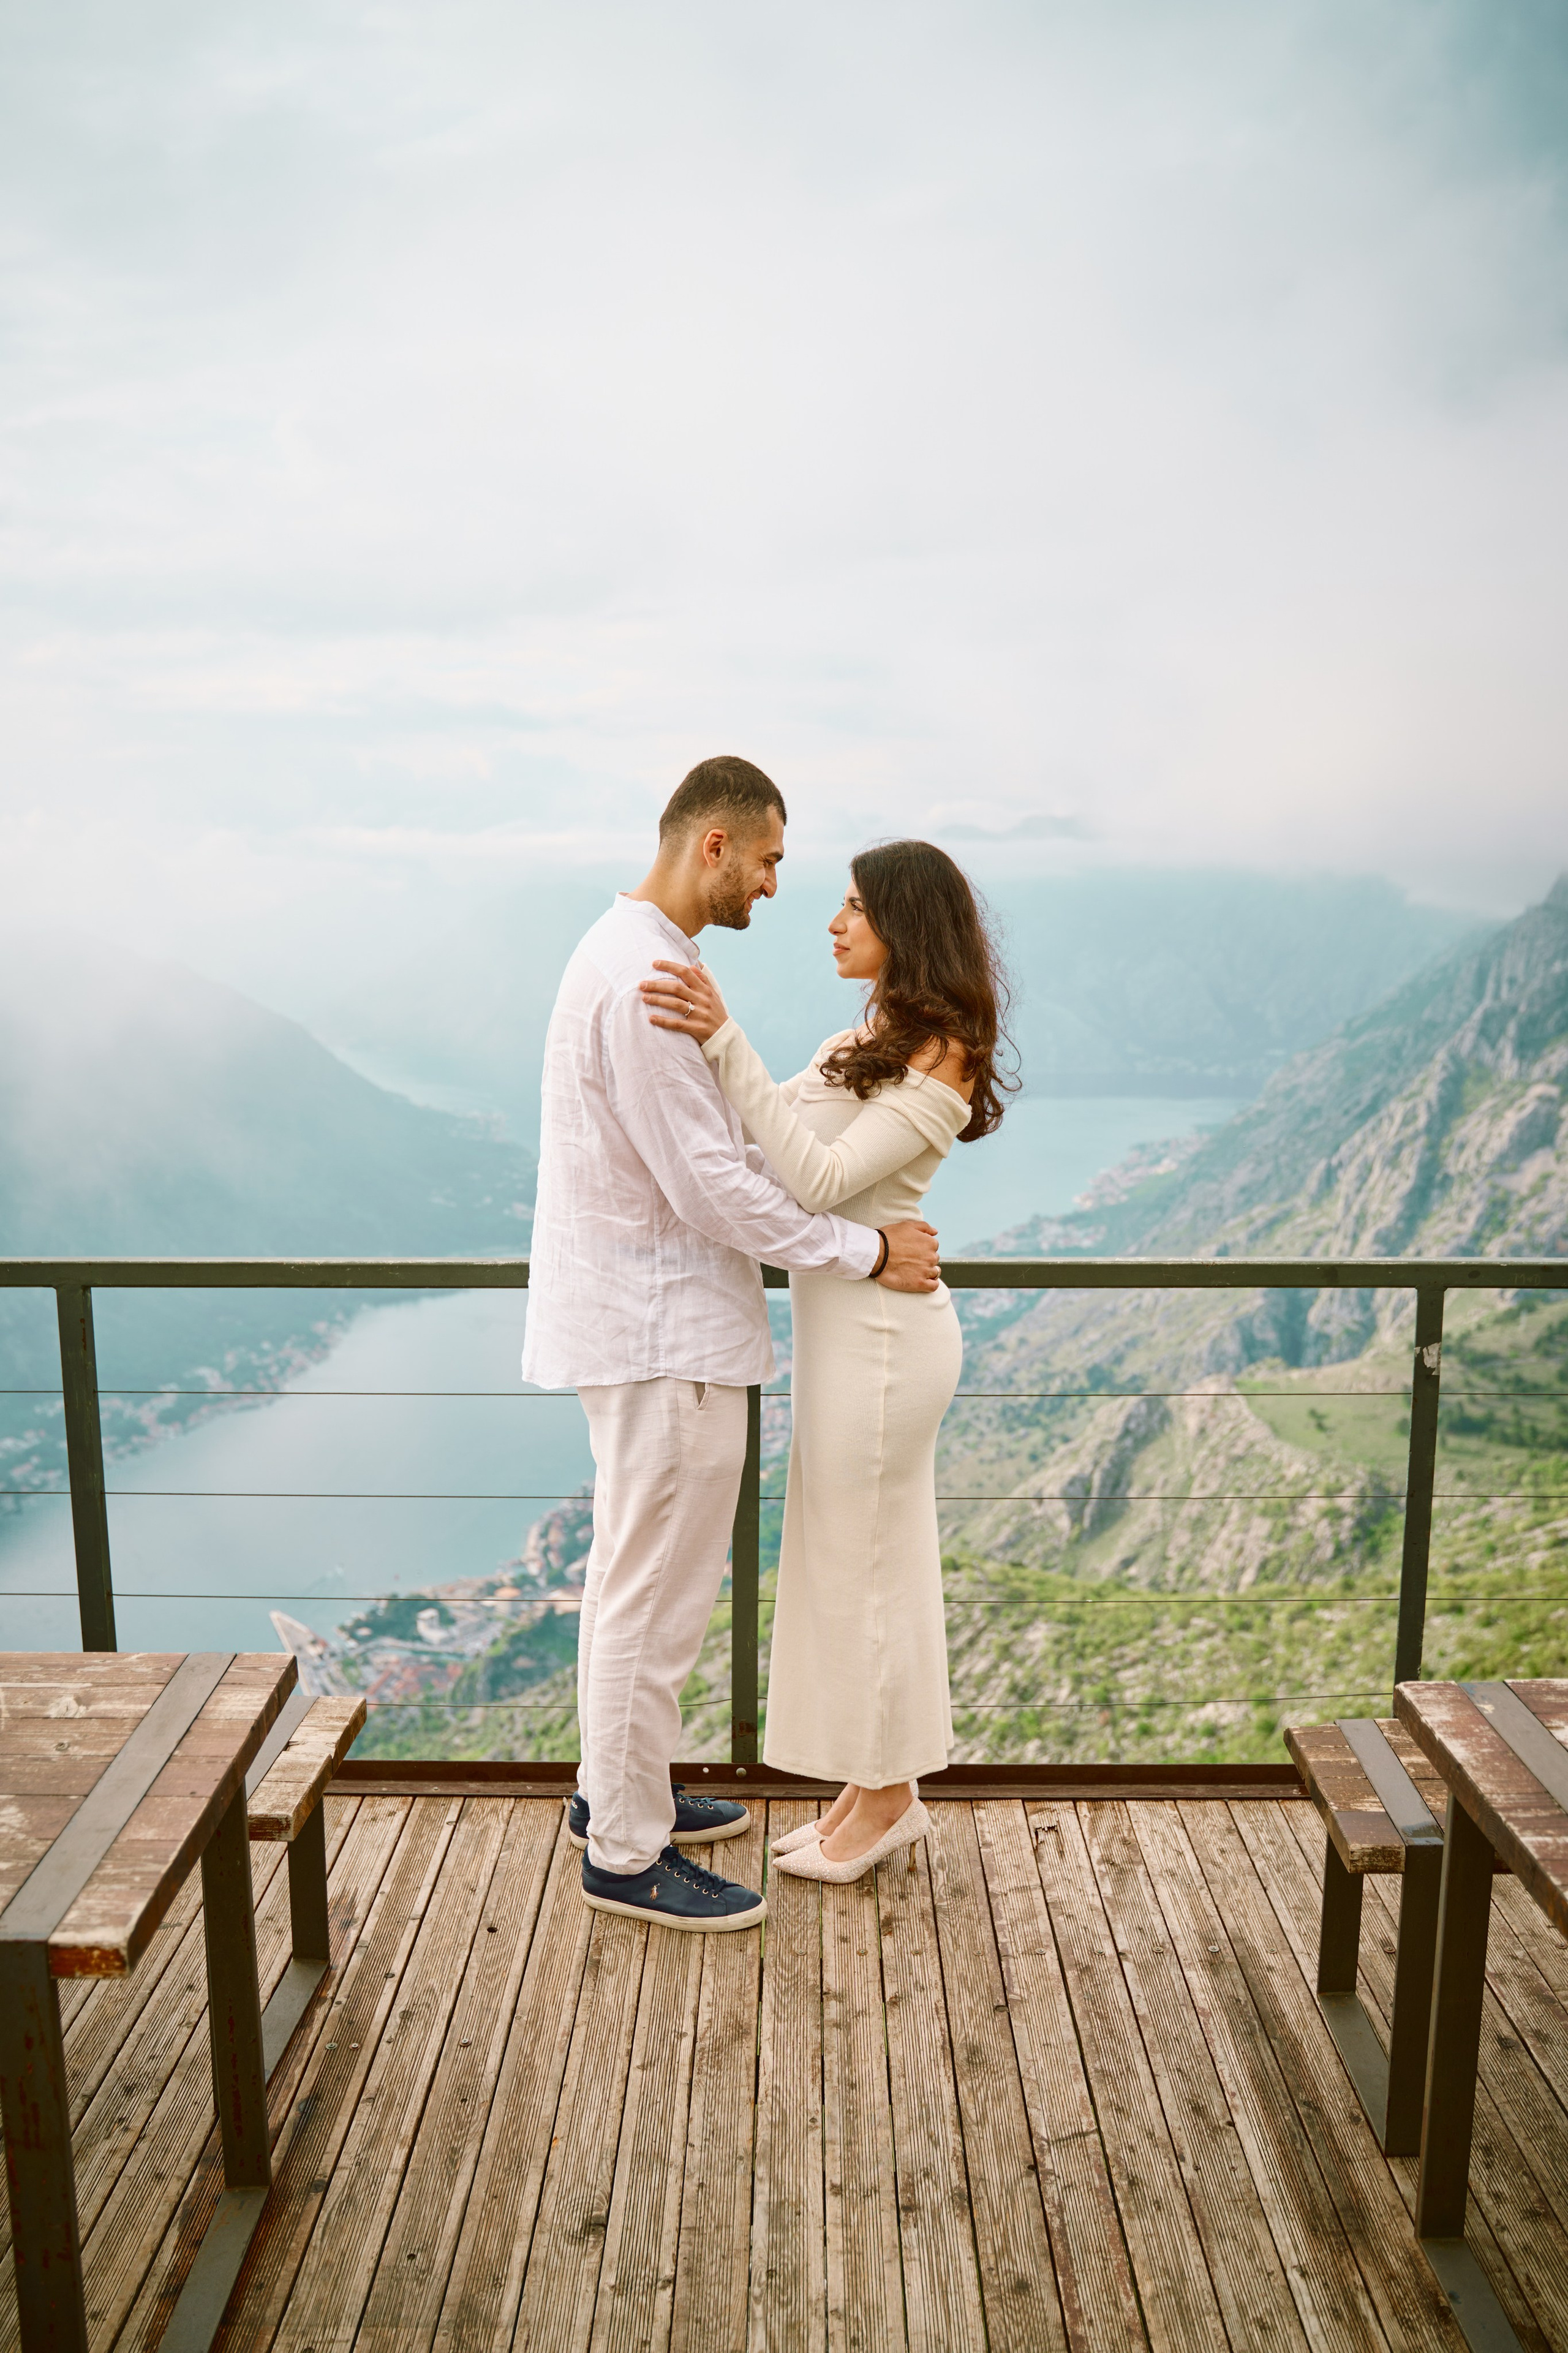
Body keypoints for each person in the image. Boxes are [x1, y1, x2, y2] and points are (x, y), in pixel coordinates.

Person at [522, 760, 943, 1931]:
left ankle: (623, 1788)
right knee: (652, 1601)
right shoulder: (650, 977)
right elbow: (709, 1184)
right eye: (766, 862)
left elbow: (729, 1150)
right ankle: (626, 1850)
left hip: (640, 1323)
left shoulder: (635, 955)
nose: (774, 887)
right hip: (667, 1334)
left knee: (630, 1584)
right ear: (714, 846)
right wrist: (865, 1253)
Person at [641, 838, 1011, 1881]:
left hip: (888, 1346)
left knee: (875, 1571)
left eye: (855, 907)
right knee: (850, 1564)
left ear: (905, 924)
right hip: (850, 1335)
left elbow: (819, 1171)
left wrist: (724, 1040)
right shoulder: (872, 1035)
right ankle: (868, 1785)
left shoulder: (942, 1052)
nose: (834, 922)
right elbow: (768, 1159)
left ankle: (891, 1797)